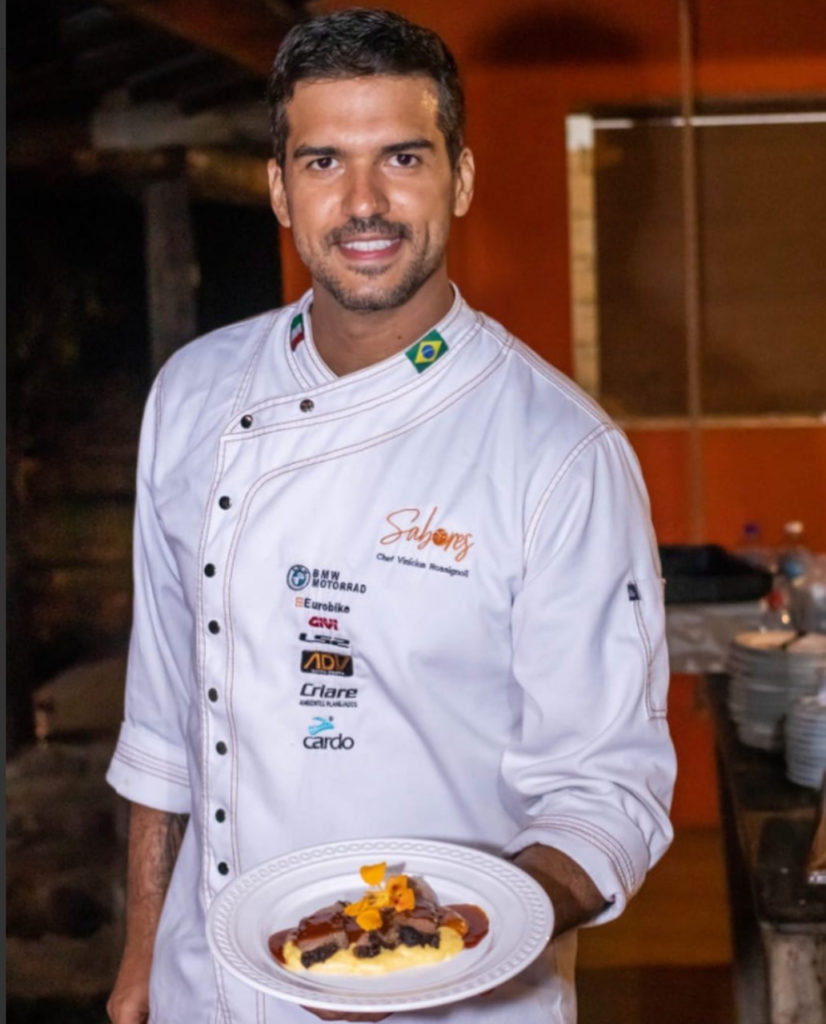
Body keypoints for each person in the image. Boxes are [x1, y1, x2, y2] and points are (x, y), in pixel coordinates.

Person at [106, 8, 676, 1024]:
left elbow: (608, 798)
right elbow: (160, 720)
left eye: (401, 157)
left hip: (453, 1005)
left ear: (458, 177)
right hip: (210, 994)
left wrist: (439, 946)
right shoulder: (193, 392)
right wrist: (143, 952)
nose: (363, 201)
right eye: (323, 161)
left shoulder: (558, 452)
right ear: (280, 188)